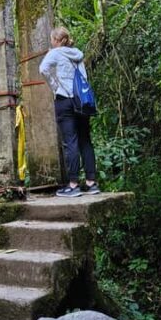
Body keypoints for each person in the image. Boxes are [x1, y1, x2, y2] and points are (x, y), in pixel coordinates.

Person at [39, 27, 100, 198]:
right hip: (82, 101)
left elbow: (43, 69)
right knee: (85, 140)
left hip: (64, 100)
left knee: (70, 141)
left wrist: (55, 86)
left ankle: (73, 185)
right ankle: (91, 182)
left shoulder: (55, 53)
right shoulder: (77, 54)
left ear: (56, 40)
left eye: (52, 39)